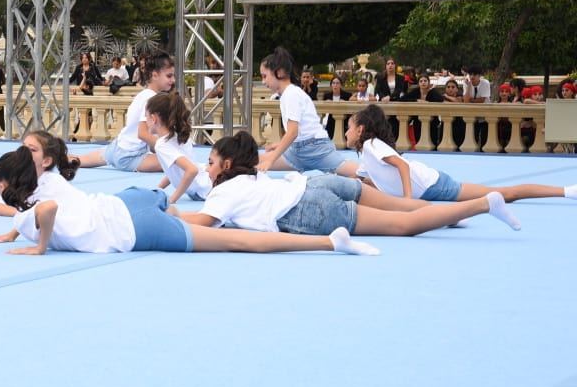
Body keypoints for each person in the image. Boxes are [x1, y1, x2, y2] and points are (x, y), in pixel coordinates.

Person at [0, 144, 379, 256]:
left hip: (137, 228)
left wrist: (39, 246)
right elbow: (42, 204)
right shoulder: (46, 179)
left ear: (13, 185)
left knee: (235, 242)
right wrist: (14, 232)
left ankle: (329, 243)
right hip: (131, 200)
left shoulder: (32, 208)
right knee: (195, 222)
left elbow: (43, 211)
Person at [176, 131, 523, 238]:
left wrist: (174, 213)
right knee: (401, 207)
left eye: (209, 163)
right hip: (317, 184)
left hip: (307, 210)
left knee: (401, 225)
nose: (205, 169)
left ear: (225, 165)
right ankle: (450, 214)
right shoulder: (254, 175)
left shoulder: (224, 190)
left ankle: (481, 204)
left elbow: (206, 222)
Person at [346, 105, 576, 203]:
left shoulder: (371, 145)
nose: (346, 132)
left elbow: (402, 167)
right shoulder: (366, 153)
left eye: (349, 126)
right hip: (428, 188)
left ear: (361, 130)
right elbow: (365, 181)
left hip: (434, 185)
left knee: (506, 193)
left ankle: (566, 191)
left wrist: (406, 200)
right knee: (502, 194)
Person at [256, 46, 356, 175]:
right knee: (251, 160)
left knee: (359, 173)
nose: (263, 81)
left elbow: (293, 132)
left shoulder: (291, 94)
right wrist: (279, 146)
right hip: (299, 150)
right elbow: (298, 132)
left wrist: (272, 159)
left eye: (265, 76)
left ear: (279, 72)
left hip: (315, 149)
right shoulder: (287, 94)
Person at [75, 50, 176, 172]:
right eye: (169, 76)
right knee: (176, 161)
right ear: (155, 75)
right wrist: (166, 148)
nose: (173, 80)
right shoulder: (150, 98)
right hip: (129, 156)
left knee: (78, 160)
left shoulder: (143, 94)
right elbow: (142, 134)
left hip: (117, 147)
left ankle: (64, 160)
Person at [145, 91, 212, 204]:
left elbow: (192, 170)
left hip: (204, 190)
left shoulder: (162, 145)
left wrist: (173, 199)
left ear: (153, 118)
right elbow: (173, 171)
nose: (145, 121)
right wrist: (158, 188)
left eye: (146, 116)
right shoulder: (177, 135)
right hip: (205, 183)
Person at [402, 73, 444, 148]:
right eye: (421, 81)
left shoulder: (432, 92)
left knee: (433, 143)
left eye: (425, 81)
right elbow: (403, 99)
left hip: (432, 122)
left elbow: (440, 99)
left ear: (428, 82)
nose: (423, 83)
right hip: (418, 121)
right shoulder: (416, 91)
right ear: (418, 83)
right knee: (418, 142)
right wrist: (416, 100)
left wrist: (432, 90)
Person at [463, 65, 491, 148]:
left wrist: (471, 100)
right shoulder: (466, 83)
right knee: (472, 137)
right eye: (470, 74)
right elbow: (466, 101)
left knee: (484, 137)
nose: (472, 77)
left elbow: (482, 100)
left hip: (485, 114)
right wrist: (468, 86)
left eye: (474, 75)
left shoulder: (485, 83)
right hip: (472, 114)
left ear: (479, 76)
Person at [322, 75, 352, 139]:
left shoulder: (347, 95)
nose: (335, 85)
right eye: (333, 83)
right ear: (331, 85)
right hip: (331, 120)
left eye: (337, 83)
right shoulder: (327, 95)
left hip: (344, 120)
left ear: (341, 85)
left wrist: (345, 102)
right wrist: (326, 103)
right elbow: (323, 111)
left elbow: (350, 110)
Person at [441, 78, 467, 149]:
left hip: (459, 124)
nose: (450, 89)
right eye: (448, 87)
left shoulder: (461, 97)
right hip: (446, 123)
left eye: (453, 87)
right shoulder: (442, 98)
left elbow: (459, 103)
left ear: (457, 89)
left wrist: (447, 96)